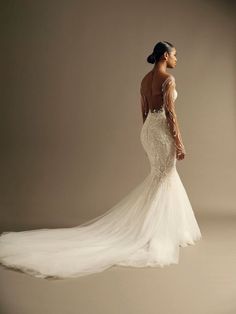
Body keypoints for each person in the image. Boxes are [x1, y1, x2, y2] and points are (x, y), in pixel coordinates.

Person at [0, 41, 202, 279]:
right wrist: (179, 142)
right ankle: (154, 233)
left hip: (148, 131)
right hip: (161, 132)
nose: (177, 59)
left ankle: (161, 229)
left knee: (161, 177)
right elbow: (170, 113)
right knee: (164, 177)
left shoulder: (144, 80)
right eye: (175, 55)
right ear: (166, 56)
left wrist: (148, 134)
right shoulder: (168, 80)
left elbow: (144, 112)